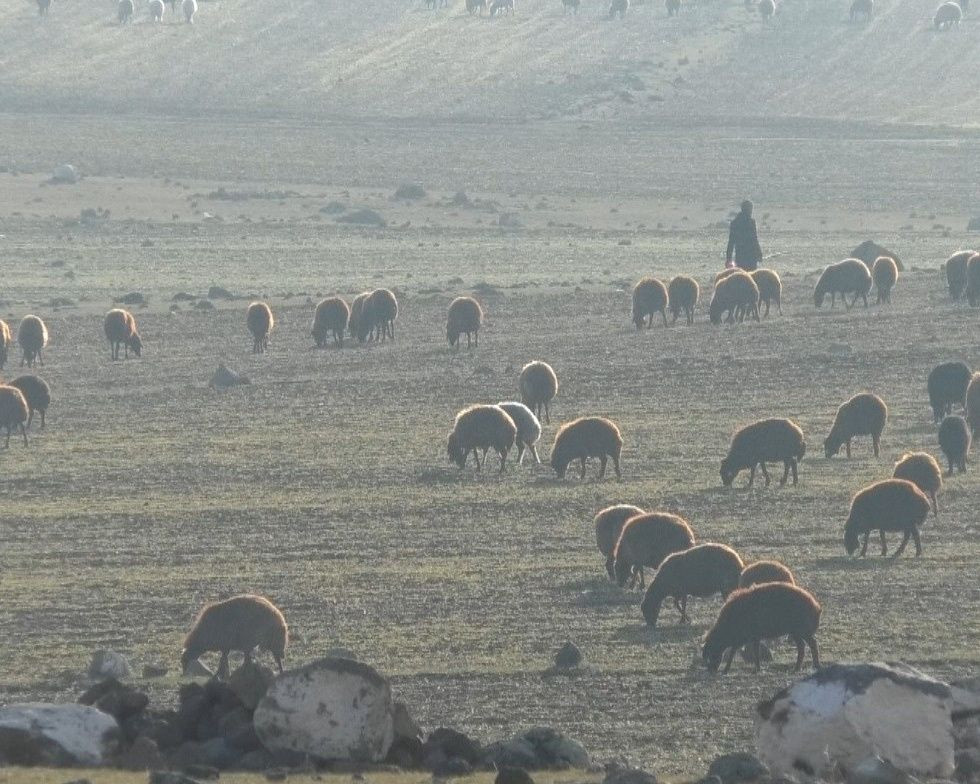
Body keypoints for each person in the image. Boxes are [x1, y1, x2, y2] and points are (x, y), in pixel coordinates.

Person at [725, 200, 763, 272]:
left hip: (740, 257)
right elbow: (755, 240)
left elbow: (731, 243)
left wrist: (728, 258)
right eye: (751, 209)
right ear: (748, 210)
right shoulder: (751, 222)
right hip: (751, 257)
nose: (751, 211)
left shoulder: (734, 223)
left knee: (742, 279)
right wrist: (759, 254)